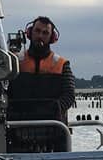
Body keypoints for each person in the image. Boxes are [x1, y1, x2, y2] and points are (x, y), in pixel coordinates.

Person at [7, 15, 75, 151]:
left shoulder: (62, 64)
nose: (40, 36)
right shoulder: (14, 62)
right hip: (19, 133)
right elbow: (2, 92)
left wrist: (53, 109)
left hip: (53, 132)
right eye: (37, 31)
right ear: (29, 33)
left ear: (52, 38)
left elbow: (69, 96)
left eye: (45, 33)